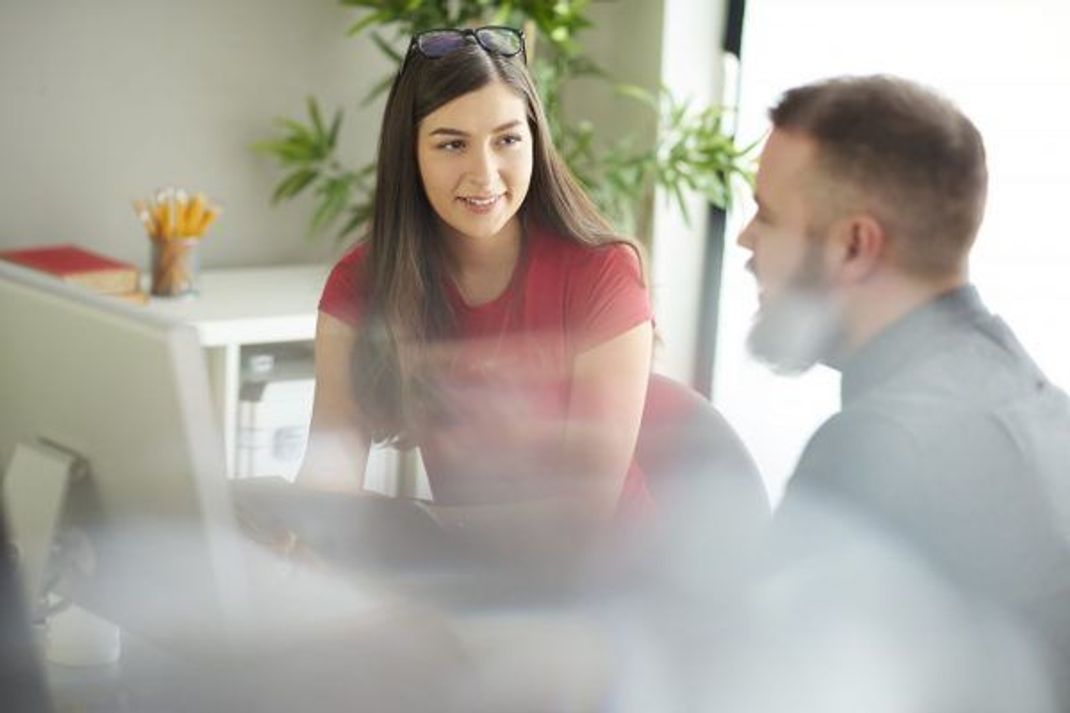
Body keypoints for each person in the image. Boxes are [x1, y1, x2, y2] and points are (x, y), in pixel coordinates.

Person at [734, 74, 1070, 707]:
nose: (746, 239)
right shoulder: (1043, 407)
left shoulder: (878, 449)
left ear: (855, 245)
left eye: (768, 214)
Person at [295, 26, 654, 561]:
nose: (484, 174)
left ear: (535, 140)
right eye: (452, 144)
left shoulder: (602, 274)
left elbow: (583, 513)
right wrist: (303, 519)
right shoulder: (361, 284)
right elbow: (332, 463)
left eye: (507, 139)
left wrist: (405, 526)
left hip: (607, 580)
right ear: (410, 152)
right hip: (465, 569)